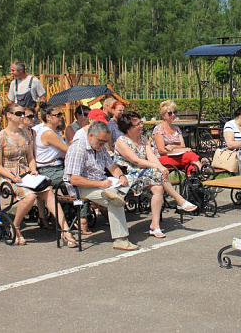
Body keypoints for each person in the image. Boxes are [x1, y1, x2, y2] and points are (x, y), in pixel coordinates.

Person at [0, 103, 76, 247]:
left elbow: (31, 158)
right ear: (9, 116)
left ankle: (66, 230)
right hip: (6, 176)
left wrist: (33, 169)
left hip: (25, 174)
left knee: (48, 192)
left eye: (22, 114)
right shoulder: (0, 137)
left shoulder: (26, 134)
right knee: (30, 196)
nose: (22, 117)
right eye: (18, 114)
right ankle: (16, 226)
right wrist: (12, 177)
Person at [114, 112, 197, 238]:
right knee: (157, 173)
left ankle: (155, 226)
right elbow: (136, 161)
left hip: (147, 173)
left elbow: (151, 156)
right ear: (128, 127)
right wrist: (159, 167)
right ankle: (179, 200)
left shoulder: (143, 138)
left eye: (141, 122)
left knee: (158, 188)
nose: (142, 125)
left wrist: (162, 167)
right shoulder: (121, 141)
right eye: (138, 124)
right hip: (130, 174)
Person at [63, 121, 139, 251]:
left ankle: (116, 192)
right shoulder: (78, 148)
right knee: (114, 201)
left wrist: (121, 177)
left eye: (105, 142)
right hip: (81, 188)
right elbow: (74, 179)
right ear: (91, 136)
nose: (103, 144)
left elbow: (112, 167)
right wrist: (100, 184)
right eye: (101, 141)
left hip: (102, 184)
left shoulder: (100, 147)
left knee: (131, 177)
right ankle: (120, 239)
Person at [20, 106, 52, 230]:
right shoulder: (17, 133)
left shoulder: (33, 132)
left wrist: (33, 168)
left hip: (33, 165)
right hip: (20, 169)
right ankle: (41, 217)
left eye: (33, 116)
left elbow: (33, 154)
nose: (32, 118)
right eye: (29, 116)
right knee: (39, 189)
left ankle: (43, 217)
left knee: (44, 186)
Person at [152, 100, 202, 171]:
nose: (173, 115)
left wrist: (173, 147)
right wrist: (181, 149)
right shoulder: (158, 129)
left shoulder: (176, 128)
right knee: (190, 155)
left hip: (178, 156)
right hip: (162, 158)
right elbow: (162, 150)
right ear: (163, 115)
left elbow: (183, 145)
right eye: (170, 113)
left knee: (190, 165)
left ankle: (191, 178)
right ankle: (204, 173)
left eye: (175, 112)